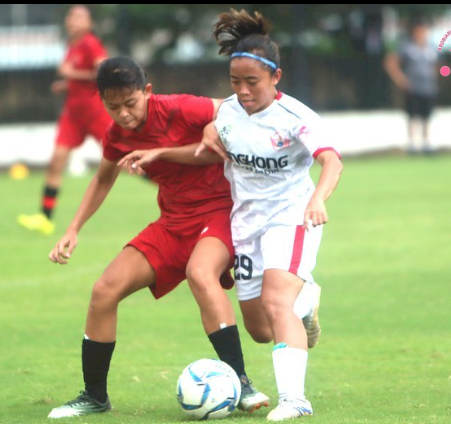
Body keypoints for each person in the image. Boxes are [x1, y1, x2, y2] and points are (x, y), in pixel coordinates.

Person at [120, 9, 343, 421]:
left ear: (276, 78)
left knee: (277, 303)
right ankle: (306, 301)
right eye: (235, 82)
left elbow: (331, 161)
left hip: (291, 217)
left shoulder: (296, 118)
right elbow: (205, 151)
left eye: (252, 82)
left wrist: (318, 199)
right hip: (246, 224)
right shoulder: (225, 115)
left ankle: (295, 400)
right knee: (261, 329)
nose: (242, 90)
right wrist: (160, 154)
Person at [45, 56, 269, 419]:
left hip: (220, 213)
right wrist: (73, 229)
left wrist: (215, 127)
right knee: (104, 290)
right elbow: (103, 178)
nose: (124, 114)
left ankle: (241, 383)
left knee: (201, 273)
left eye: (131, 103)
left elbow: (232, 107)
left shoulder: (180, 107)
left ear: (147, 92)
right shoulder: (117, 135)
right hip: (173, 223)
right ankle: (94, 396)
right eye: (113, 107)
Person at [19, 5, 112, 235]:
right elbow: (83, 77)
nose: (73, 20)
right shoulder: (72, 45)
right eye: (71, 16)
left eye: (80, 16)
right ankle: (45, 218)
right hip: (73, 115)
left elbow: (104, 71)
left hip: (94, 112)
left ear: (89, 23)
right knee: (56, 161)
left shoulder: (90, 43)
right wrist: (67, 84)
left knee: (127, 157)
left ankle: (171, 184)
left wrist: (70, 75)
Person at [384, 17, 439, 154]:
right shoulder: (407, 47)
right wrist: (401, 80)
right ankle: (412, 144)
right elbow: (390, 62)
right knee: (413, 116)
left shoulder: (431, 47)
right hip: (413, 88)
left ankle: (427, 144)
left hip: (428, 87)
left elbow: (437, 65)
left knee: (426, 116)